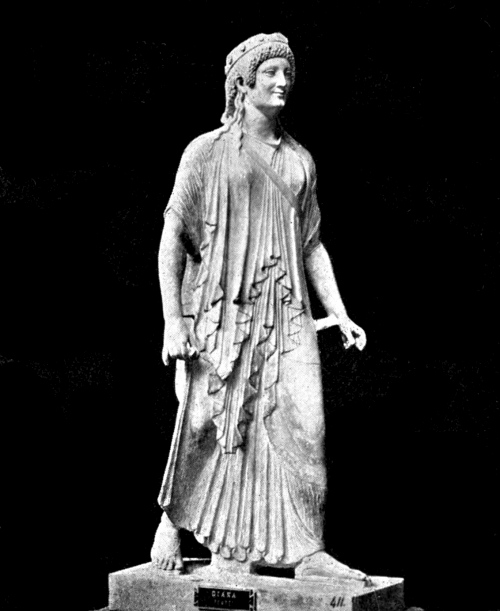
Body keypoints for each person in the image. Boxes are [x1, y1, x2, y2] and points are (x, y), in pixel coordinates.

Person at [150, 33, 368, 581]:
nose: (282, 82)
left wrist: (340, 312)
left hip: (287, 311)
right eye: (270, 72)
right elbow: (173, 237)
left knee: (307, 429)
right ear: (242, 84)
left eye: (287, 73)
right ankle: (173, 519)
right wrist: (173, 319)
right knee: (206, 421)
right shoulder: (205, 152)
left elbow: (312, 243)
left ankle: (309, 550)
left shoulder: (300, 161)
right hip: (221, 308)